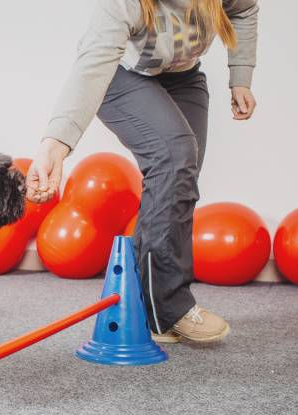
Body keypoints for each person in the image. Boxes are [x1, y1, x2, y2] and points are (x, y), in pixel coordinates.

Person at [26, 0, 258, 343]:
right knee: (176, 157)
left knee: (178, 180)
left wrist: (241, 76)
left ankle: (138, 303)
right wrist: (55, 144)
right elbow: (93, 64)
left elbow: (245, 8)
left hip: (184, 77)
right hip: (121, 77)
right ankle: (170, 308)